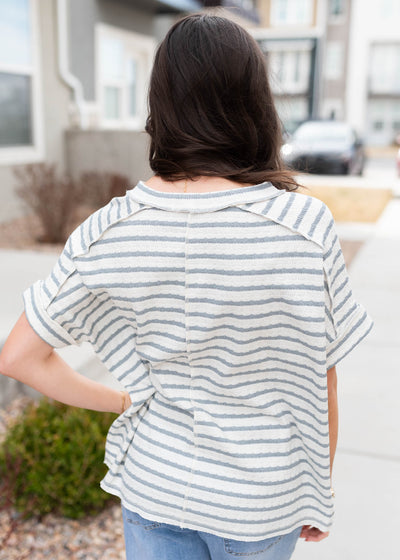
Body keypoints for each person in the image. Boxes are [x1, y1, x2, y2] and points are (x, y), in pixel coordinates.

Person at [0, 14, 373, 560]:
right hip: (260, 501)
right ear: (254, 103)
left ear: (162, 104)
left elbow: (19, 356)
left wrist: (123, 399)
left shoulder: (112, 228)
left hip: (155, 487)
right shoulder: (304, 227)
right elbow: (321, 386)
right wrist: (319, 494)